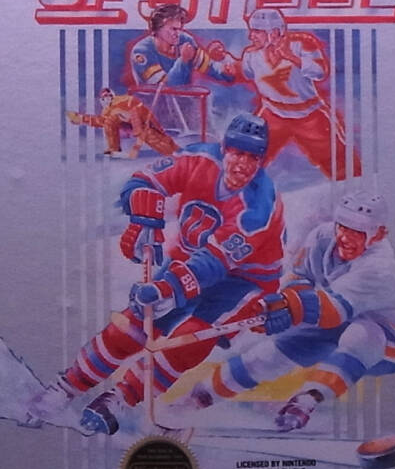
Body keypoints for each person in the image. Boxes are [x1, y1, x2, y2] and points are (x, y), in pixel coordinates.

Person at [28, 113, 286, 435]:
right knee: (134, 323)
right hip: (189, 261)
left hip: (244, 282)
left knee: (189, 339)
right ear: (224, 148)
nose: (243, 164)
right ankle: (67, 386)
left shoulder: (260, 206)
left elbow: (214, 263)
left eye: (253, 157)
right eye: (238, 153)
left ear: (261, 161)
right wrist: (142, 212)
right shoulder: (198, 159)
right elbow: (143, 180)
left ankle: (122, 397)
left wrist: (168, 287)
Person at [177, 191, 395, 430]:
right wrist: (275, 305)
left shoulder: (380, 268)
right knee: (270, 354)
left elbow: (332, 310)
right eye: (343, 227)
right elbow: (300, 278)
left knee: (361, 335)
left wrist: (288, 308)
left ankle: (305, 402)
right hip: (337, 318)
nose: (345, 238)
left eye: (357, 232)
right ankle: (196, 398)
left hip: (386, 337)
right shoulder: (323, 236)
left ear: (378, 234)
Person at [225, 7, 357, 181]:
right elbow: (244, 72)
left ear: (274, 32)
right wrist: (226, 61)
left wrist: (292, 58)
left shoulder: (301, 43)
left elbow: (320, 72)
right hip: (272, 114)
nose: (251, 36)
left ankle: (356, 190)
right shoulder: (251, 54)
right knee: (251, 153)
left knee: (338, 159)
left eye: (256, 31)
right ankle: (239, 190)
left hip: (309, 115)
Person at [128, 2, 234, 89]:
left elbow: (207, 65)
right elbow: (164, 88)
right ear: (158, 28)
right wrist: (183, 60)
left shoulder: (185, 40)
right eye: (174, 29)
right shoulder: (142, 52)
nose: (178, 33)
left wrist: (225, 72)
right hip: (152, 106)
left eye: (180, 29)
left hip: (184, 104)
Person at [66, 87, 177, 158]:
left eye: (108, 96)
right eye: (104, 97)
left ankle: (174, 153)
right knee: (109, 121)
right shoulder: (107, 110)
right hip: (129, 127)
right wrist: (82, 119)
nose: (107, 99)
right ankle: (113, 148)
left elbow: (142, 116)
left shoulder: (126, 101)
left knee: (152, 136)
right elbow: (102, 121)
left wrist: (137, 146)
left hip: (143, 123)